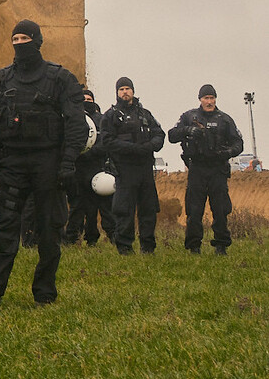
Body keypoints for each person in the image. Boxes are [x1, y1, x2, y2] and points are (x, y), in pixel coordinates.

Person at [0, 20, 84, 305]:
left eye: (25, 37)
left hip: (48, 164)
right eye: (16, 38)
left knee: (49, 232)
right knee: (5, 231)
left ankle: (45, 293)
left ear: (37, 41)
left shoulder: (60, 79)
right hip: (12, 163)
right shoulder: (0, 80)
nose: (20, 43)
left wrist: (69, 162)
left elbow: (76, 124)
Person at [168, 84, 246, 256]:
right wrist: (188, 130)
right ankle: (194, 246)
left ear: (215, 99)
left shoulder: (225, 119)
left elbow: (239, 144)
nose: (209, 101)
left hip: (218, 169)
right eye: (206, 98)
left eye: (212, 98)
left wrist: (226, 152)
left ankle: (221, 246)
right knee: (194, 210)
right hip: (197, 169)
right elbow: (171, 135)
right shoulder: (189, 117)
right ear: (200, 99)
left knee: (220, 209)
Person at [99, 77, 164, 255]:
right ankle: (125, 247)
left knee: (148, 209)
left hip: (145, 170)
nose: (125, 92)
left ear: (133, 91)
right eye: (121, 89)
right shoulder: (111, 116)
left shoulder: (145, 114)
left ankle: (148, 247)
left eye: (128, 88)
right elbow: (107, 141)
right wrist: (131, 148)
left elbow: (160, 134)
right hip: (124, 170)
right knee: (124, 210)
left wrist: (149, 147)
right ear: (117, 93)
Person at [63, 88, 114, 247]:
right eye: (83, 99)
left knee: (104, 207)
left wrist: (90, 153)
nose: (86, 102)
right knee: (77, 206)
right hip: (77, 170)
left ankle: (113, 238)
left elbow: (106, 142)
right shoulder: (72, 119)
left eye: (89, 99)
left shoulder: (102, 119)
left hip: (98, 169)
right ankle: (72, 239)